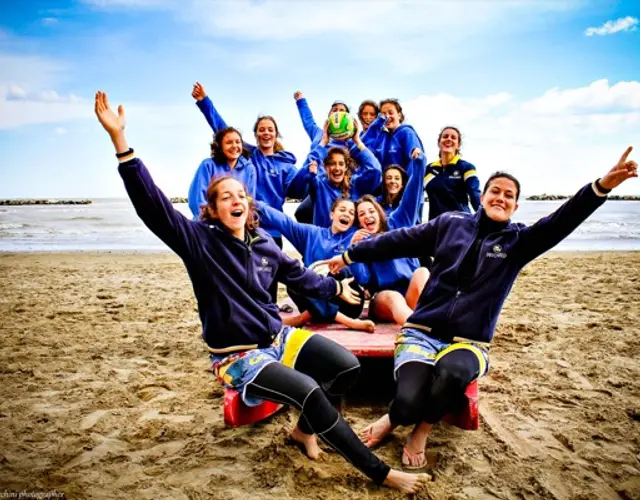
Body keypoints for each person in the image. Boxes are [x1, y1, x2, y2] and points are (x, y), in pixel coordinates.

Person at [94, 90, 430, 494]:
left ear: (248, 204)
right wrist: (121, 144)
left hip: (278, 338)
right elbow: (153, 208)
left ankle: (303, 433)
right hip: (239, 356)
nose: (235, 200)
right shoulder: (199, 241)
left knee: (345, 367)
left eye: (241, 195)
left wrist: (336, 289)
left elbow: (302, 278)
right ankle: (381, 473)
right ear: (212, 208)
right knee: (308, 392)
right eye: (225, 197)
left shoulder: (265, 244)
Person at [319, 152, 637, 469]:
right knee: (405, 405)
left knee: (453, 374)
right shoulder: (450, 224)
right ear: (482, 197)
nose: (501, 198)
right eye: (495, 191)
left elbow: (563, 219)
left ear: (515, 206)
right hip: (421, 335)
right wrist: (349, 256)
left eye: (509, 195)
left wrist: (603, 186)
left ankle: (422, 431)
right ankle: (394, 419)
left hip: (468, 343)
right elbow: (399, 240)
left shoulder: (519, 242)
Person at [191, 82, 308, 304]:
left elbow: (298, 189)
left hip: (271, 230)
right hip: (242, 227)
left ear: (276, 134)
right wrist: (204, 102)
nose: (266, 133)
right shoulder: (248, 157)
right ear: (255, 135)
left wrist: (309, 173)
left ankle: (269, 320)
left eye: (270, 129)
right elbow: (222, 130)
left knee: (270, 279)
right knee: (244, 279)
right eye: (261, 129)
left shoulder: (286, 165)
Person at [258, 197, 375, 332]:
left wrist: (354, 249)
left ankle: (303, 318)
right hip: (313, 298)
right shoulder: (312, 234)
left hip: (349, 302)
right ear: (332, 214)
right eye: (342, 210)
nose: (347, 214)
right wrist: (251, 202)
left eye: (351, 213)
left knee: (341, 271)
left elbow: (364, 279)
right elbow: (284, 221)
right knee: (295, 277)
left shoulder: (357, 236)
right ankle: (345, 321)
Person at [350, 154, 429, 326]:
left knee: (422, 272)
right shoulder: (362, 241)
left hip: (410, 295)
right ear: (358, 222)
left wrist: (419, 162)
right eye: (361, 214)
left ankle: (430, 317)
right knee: (394, 297)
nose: (367, 216)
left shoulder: (398, 222)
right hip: (384, 299)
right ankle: (418, 330)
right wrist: (354, 250)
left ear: (379, 212)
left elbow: (413, 194)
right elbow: (363, 279)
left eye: (371, 211)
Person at [295, 122, 382, 228]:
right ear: (326, 167)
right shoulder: (319, 184)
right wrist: (323, 143)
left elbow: (375, 170)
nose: (337, 168)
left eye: (341, 164)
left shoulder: (355, 184)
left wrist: (358, 142)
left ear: (346, 167)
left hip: (350, 241)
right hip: (324, 241)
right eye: (332, 164)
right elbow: (307, 169)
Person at [362, 98, 425, 223]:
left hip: (404, 197)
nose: (387, 117)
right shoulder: (382, 137)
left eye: (391, 112)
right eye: (383, 114)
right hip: (387, 197)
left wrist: (407, 194)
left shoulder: (406, 133)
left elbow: (415, 160)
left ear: (399, 115)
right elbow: (363, 149)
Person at [188, 126, 256, 219]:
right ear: (219, 147)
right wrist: (210, 222)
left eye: (237, 142)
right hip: (208, 224)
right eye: (229, 143)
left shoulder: (249, 169)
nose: (234, 146)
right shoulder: (208, 165)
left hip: (236, 224)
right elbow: (196, 200)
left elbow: (249, 200)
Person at [424, 126, 481, 220]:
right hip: (435, 226)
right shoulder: (428, 170)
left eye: (453, 137)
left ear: (458, 145)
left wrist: (487, 220)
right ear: (439, 143)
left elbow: (475, 196)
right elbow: (416, 196)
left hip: (460, 224)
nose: (449, 139)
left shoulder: (467, 168)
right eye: (445, 136)